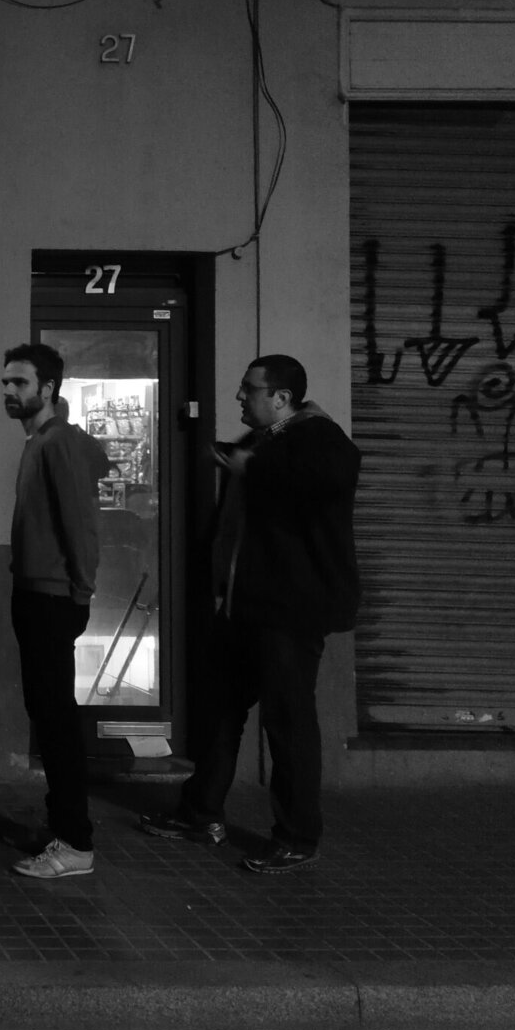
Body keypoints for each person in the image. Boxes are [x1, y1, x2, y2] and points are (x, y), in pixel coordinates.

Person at [140, 355, 360, 874]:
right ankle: (201, 813)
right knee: (219, 710)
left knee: (288, 723)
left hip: (288, 612)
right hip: (243, 608)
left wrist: (251, 467)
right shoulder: (261, 441)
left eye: (249, 389)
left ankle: (298, 836)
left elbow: (327, 479)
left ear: (281, 398)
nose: (240, 396)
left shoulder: (320, 439)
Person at [1, 343, 111, 880]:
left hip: (51, 598)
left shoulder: (58, 441)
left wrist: (80, 593)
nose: (8, 391)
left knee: (57, 720)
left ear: (47, 389)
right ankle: (61, 828)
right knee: (46, 714)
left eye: (19, 382)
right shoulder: (40, 441)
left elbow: (80, 525)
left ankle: (75, 843)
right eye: (5, 382)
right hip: (35, 594)